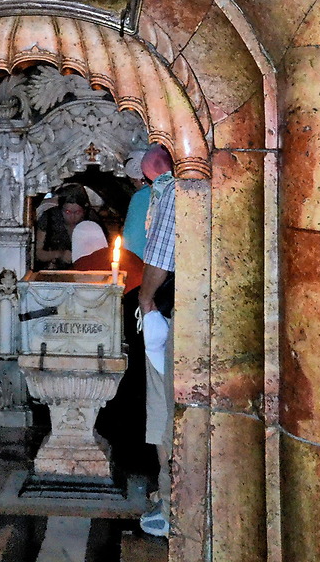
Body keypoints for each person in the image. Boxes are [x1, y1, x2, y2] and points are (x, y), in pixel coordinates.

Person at [138, 143, 177, 539]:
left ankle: (171, 504)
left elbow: (159, 260)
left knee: (167, 412)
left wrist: (145, 298)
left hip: (174, 315)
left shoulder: (172, 191)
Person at [35, 186, 92, 269]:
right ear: (60, 208)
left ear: (84, 210)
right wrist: (59, 254)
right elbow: (37, 253)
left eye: (77, 212)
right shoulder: (49, 218)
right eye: (68, 212)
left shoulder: (91, 220)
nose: (72, 216)